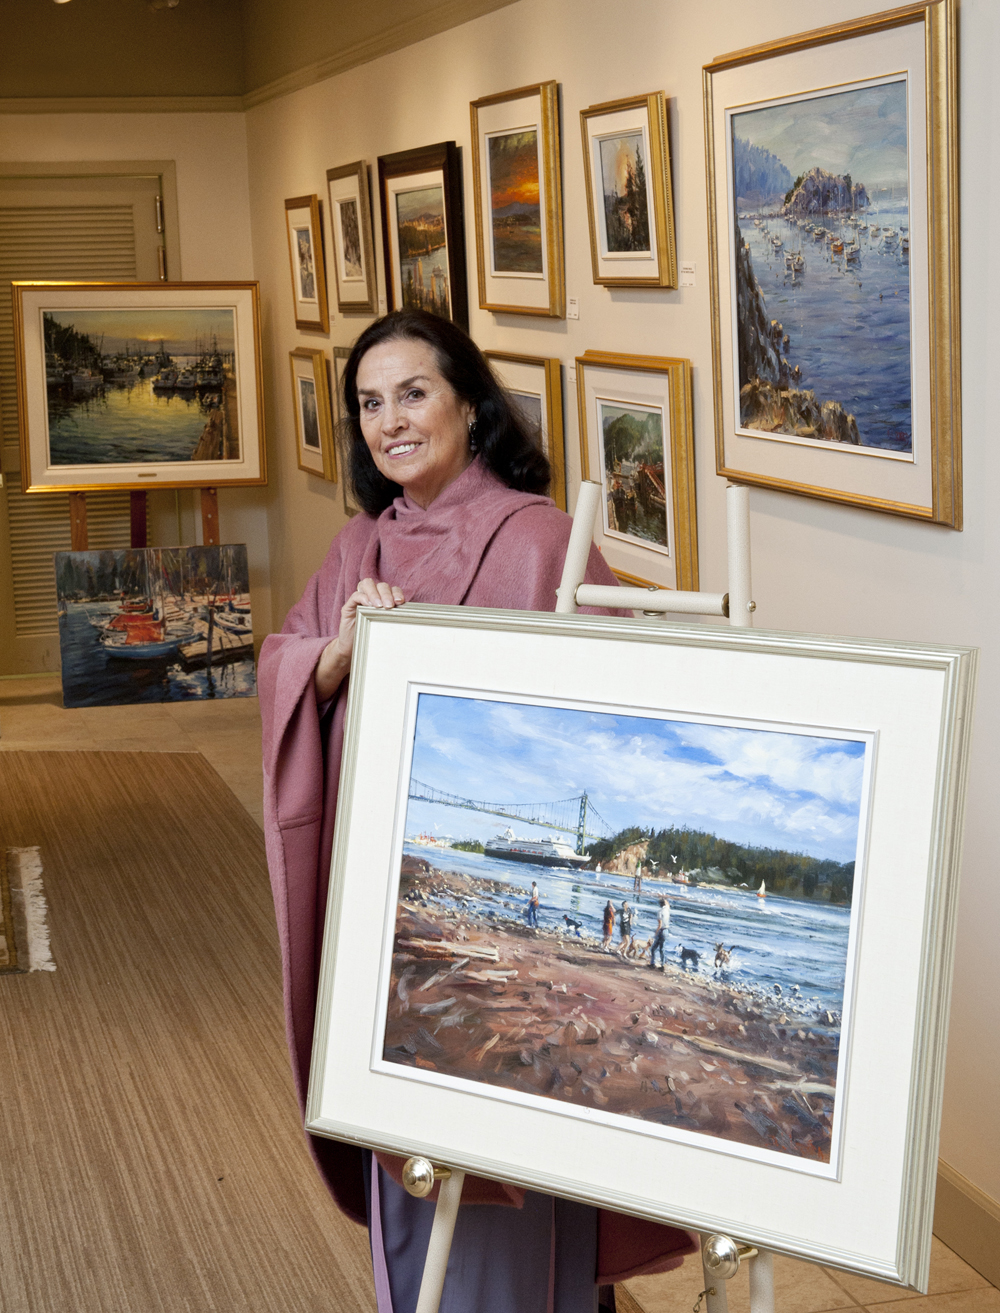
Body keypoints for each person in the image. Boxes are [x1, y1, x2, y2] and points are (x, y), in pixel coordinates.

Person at [258, 310, 694, 1313]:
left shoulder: (540, 539)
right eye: (371, 403)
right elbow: (287, 663)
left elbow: (617, 717)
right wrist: (334, 656)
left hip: (486, 964)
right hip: (379, 923)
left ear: (469, 403)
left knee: (506, 1169)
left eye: (413, 394)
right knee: (409, 1165)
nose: (390, 422)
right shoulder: (360, 543)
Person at [649, 896, 670, 970]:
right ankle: (663, 965)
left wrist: (655, 934)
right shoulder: (667, 909)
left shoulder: (660, 912)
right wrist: (664, 898)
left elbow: (660, 925)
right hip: (666, 931)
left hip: (661, 931)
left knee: (653, 948)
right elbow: (667, 904)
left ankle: (652, 963)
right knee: (662, 949)